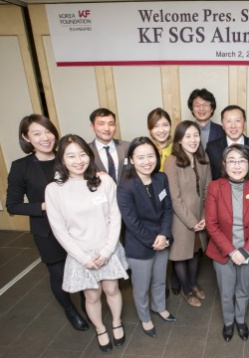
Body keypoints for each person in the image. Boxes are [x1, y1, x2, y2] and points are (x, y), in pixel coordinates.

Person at [45, 134, 129, 353]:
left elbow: (114, 217)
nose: (78, 160)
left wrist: (108, 250)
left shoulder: (104, 181)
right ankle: (101, 328)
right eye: (71, 156)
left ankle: (116, 322)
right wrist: (83, 257)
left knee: (112, 289)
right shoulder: (54, 190)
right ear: (62, 160)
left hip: (107, 248)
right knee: (92, 295)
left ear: (89, 156)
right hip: (81, 253)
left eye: (82, 154)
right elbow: (59, 230)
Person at [6, 115, 89, 332]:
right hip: (47, 231)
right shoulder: (20, 166)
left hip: (77, 227)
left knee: (81, 267)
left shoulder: (67, 157)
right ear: (26, 138)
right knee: (59, 273)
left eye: (48, 131)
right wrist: (45, 206)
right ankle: (70, 309)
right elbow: (13, 206)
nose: (45, 137)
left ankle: (86, 302)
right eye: (37, 133)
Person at [205, 144, 249, 342]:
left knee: (243, 289)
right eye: (232, 161)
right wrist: (232, 252)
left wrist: (246, 251)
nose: (237, 165)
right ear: (224, 164)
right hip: (223, 251)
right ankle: (228, 322)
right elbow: (212, 224)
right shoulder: (215, 187)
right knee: (226, 292)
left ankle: (240, 321)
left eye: (242, 161)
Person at [117, 137, 175, 338]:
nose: (147, 161)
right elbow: (131, 222)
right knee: (141, 287)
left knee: (159, 280)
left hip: (162, 239)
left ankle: (160, 307)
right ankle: (145, 317)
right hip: (140, 245)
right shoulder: (126, 185)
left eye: (150, 155)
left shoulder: (160, 178)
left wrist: (164, 234)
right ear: (132, 160)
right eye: (140, 157)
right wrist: (154, 240)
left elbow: (168, 209)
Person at [164, 121, 212, 308]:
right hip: (181, 219)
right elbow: (174, 197)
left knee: (196, 252)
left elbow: (209, 188)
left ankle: (192, 283)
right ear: (179, 140)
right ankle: (185, 288)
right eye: (188, 136)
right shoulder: (172, 161)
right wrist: (193, 222)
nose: (193, 140)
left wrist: (206, 216)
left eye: (196, 135)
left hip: (201, 216)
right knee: (181, 255)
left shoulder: (203, 157)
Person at [146, 107, 180, 297]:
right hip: (151, 204)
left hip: (173, 203)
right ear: (150, 129)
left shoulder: (177, 147)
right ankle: (160, 284)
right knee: (155, 244)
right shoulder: (144, 148)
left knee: (173, 241)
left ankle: (175, 277)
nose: (161, 130)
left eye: (165, 125)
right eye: (156, 126)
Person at [206, 105, 249, 181]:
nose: (233, 126)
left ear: (244, 123)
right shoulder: (212, 147)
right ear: (222, 124)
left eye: (237, 121)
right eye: (228, 121)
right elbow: (209, 178)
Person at [88, 108, 130, 182]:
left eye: (111, 124)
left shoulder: (128, 147)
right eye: (101, 124)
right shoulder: (86, 151)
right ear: (92, 127)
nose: (107, 129)